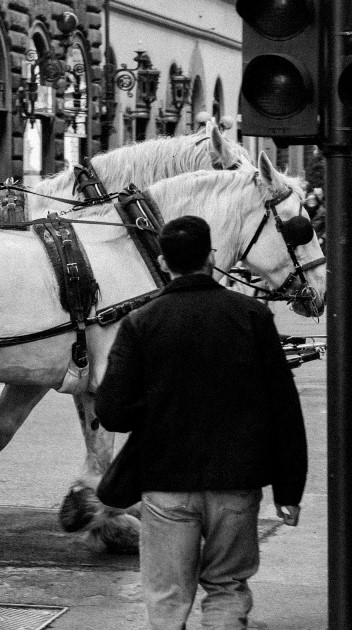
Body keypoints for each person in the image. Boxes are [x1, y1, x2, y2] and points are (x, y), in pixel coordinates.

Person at [96, 215, 307, 630]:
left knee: (167, 597)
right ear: (211, 258)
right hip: (237, 482)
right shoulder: (251, 316)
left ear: (162, 261)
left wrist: (157, 408)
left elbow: (113, 411)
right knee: (228, 587)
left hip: (166, 482)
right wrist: (289, 489)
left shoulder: (142, 322)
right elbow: (284, 407)